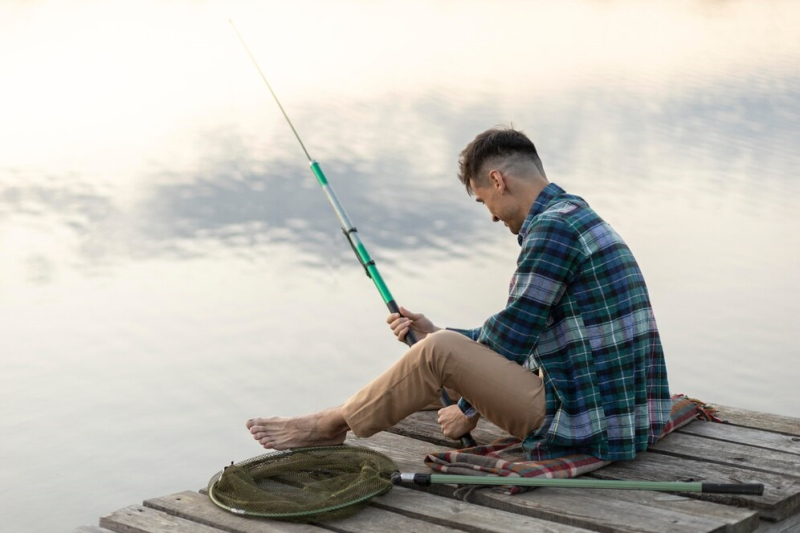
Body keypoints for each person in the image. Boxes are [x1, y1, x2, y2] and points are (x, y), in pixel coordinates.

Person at [247, 126, 671, 461]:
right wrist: (435, 331)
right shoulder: (575, 215)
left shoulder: (550, 232)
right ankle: (345, 415)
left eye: (483, 199)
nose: (490, 215)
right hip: (618, 412)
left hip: (588, 423)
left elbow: (510, 342)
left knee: (437, 354)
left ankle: (329, 425)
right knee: (435, 349)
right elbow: (523, 327)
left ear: (497, 180)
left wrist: (465, 408)